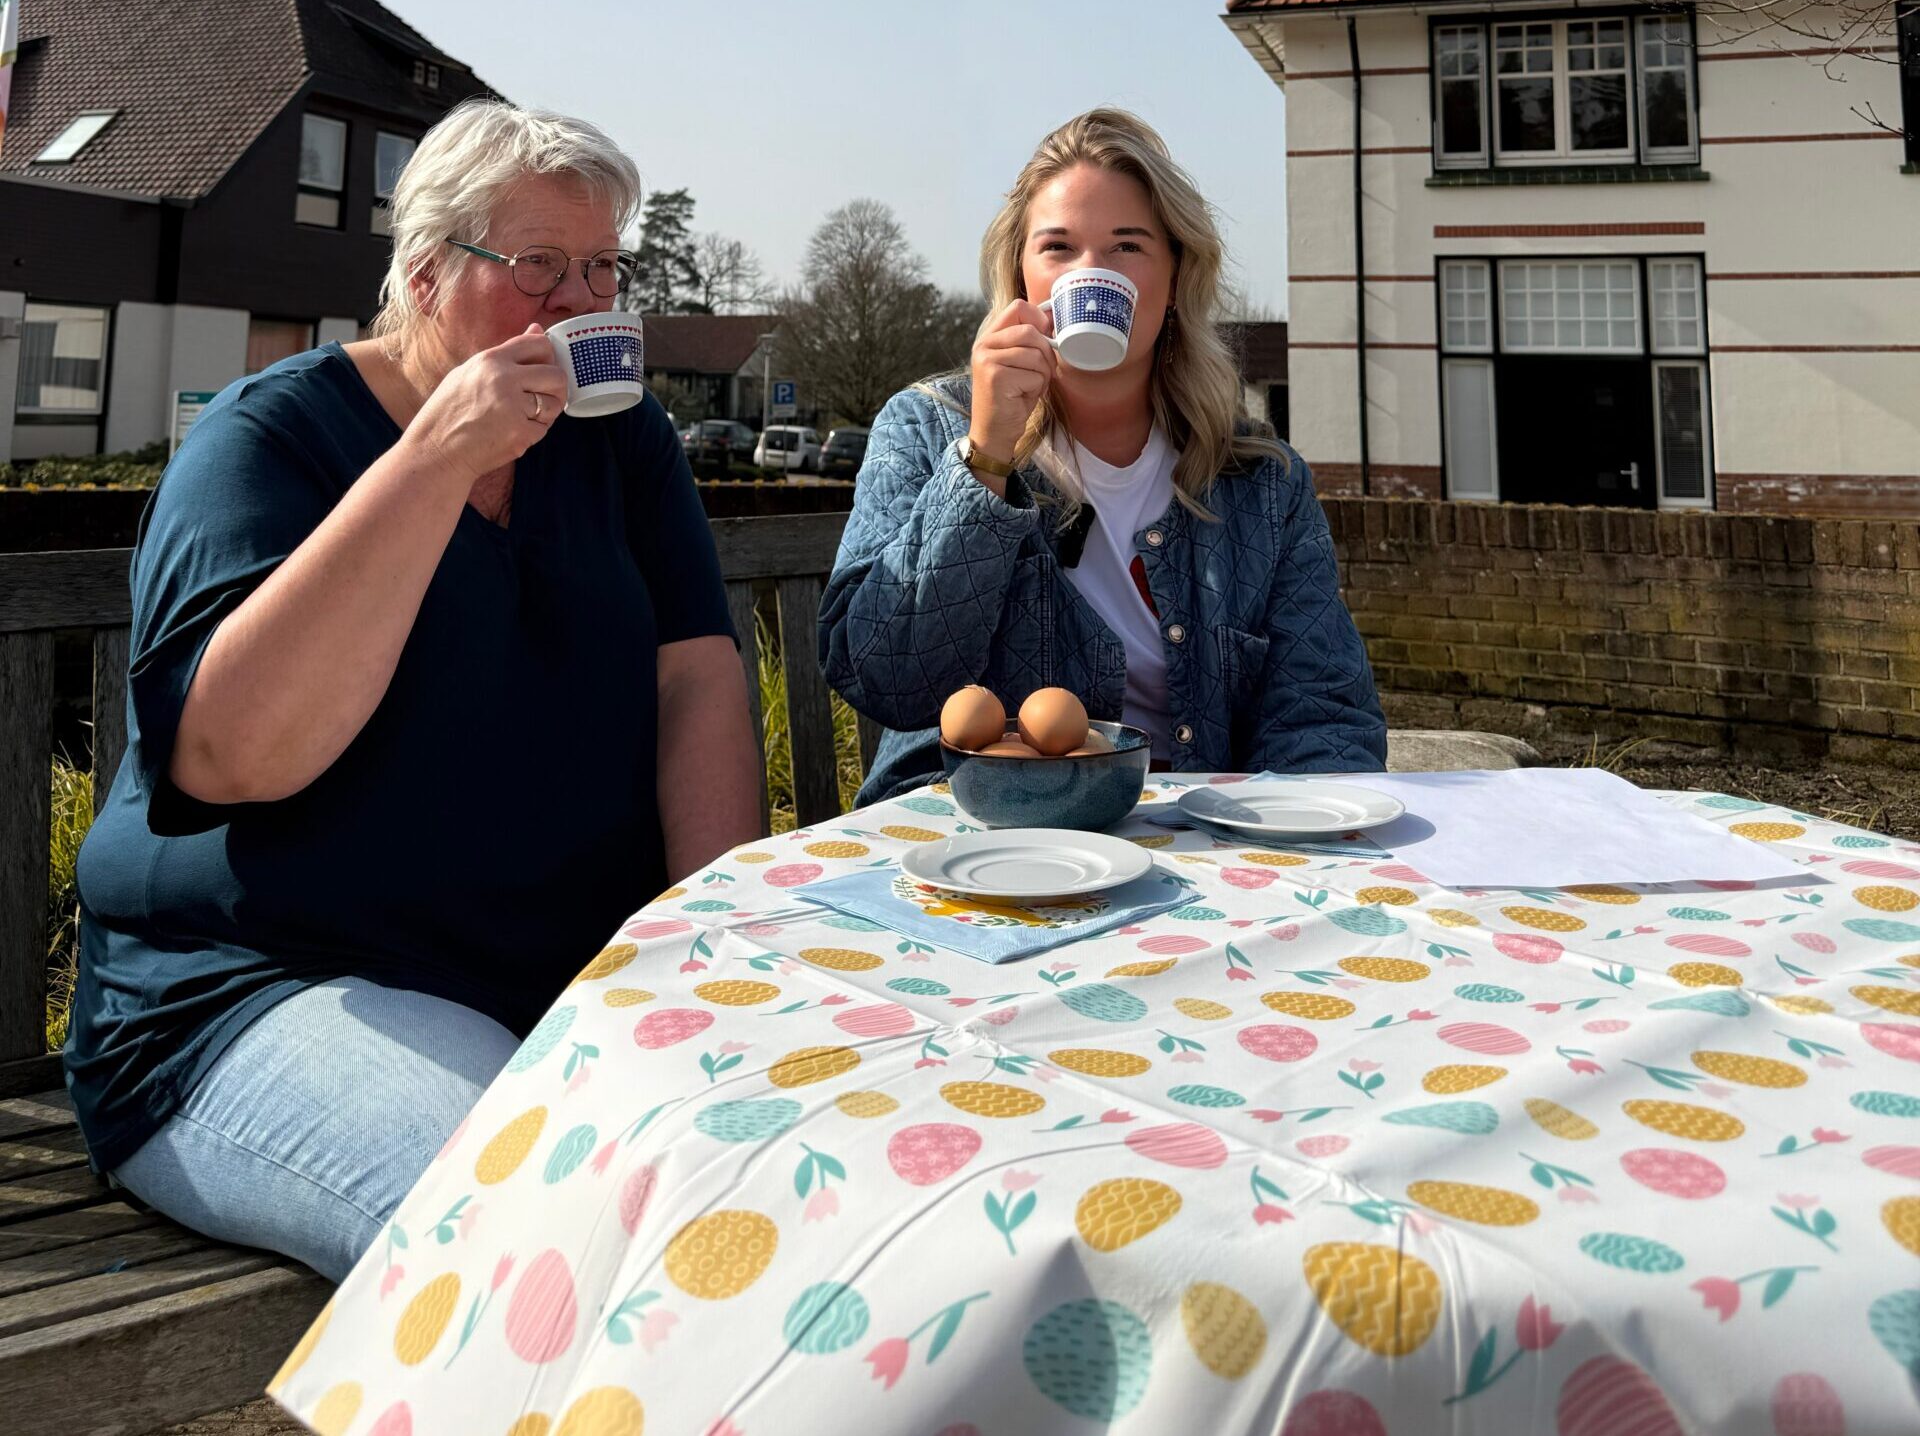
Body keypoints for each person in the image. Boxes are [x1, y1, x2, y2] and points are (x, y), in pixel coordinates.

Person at [65, 100, 762, 1281]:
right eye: (540, 267)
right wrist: (440, 456)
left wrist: (715, 951)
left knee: (768, 1180)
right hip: (263, 994)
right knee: (524, 1232)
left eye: (602, 268)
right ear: (428, 276)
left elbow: (693, 679)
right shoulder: (269, 441)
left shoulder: (619, 444)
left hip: (551, 984)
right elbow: (232, 755)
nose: (582, 303)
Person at [822, 106, 1386, 801]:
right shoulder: (926, 429)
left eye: (1127, 247)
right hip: (971, 834)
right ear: (1022, 278)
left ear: (1175, 279)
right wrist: (986, 460)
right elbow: (883, 676)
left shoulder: (1261, 481)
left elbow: (1323, 714)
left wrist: (1288, 840)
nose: (1091, 270)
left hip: (1198, 851)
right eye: (1058, 247)